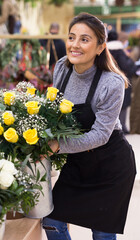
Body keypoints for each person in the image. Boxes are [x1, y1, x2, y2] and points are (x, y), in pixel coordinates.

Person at [42, 12, 136, 239]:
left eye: (84, 39)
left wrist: (57, 146)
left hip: (110, 165)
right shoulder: (62, 67)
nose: (75, 45)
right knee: (52, 222)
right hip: (79, 162)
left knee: (102, 235)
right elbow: (56, 111)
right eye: (71, 37)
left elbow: (100, 135)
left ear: (100, 47)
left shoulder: (111, 83)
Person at [107, 30, 138, 134]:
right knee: (123, 105)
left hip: (106, 81)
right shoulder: (119, 51)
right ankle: (122, 128)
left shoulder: (104, 51)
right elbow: (126, 66)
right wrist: (132, 61)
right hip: (121, 81)